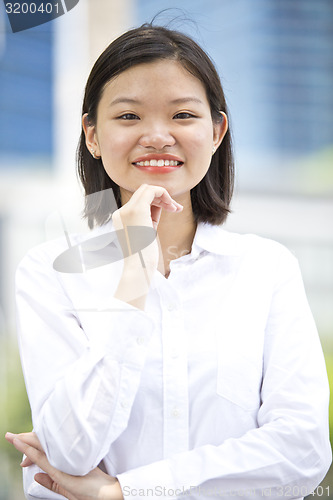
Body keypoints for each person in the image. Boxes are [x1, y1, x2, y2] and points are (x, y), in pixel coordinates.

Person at [5, 23, 332, 500]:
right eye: (129, 116)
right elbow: (70, 452)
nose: (158, 137)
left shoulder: (265, 268)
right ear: (92, 135)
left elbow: (302, 451)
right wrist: (132, 271)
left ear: (216, 131)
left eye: (182, 114)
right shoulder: (51, 270)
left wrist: (122, 492)